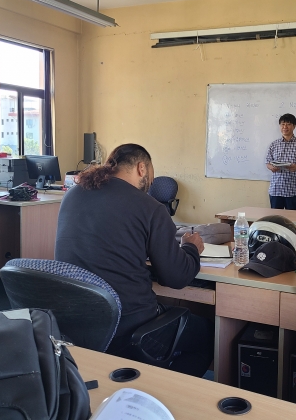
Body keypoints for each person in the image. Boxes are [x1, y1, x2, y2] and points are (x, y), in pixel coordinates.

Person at [55, 143, 213, 377]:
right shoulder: (151, 208)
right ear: (142, 168)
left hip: (73, 323)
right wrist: (191, 247)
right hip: (128, 327)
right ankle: (160, 399)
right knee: (206, 336)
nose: (150, 182)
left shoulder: (73, 195)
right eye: (151, 173)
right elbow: (177, 276)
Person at [265, 113, 296, 210]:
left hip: (293, 190)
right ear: (280, 126)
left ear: (294, 126)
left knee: (293, 221)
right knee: (275, 221)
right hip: (276, 189)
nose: (285, 127)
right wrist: (271, 167)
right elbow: (268, 163)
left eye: (288, 124)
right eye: (282, 124)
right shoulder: (274, 144)